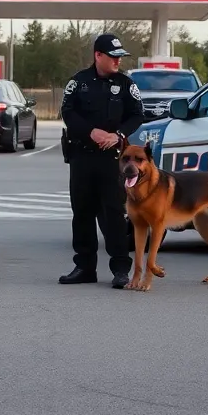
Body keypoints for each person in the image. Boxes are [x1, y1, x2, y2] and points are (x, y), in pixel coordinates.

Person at [58, 33, 144, 289]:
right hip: (82, 156)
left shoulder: (127, 85)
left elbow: (137, 115)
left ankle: (120, 269)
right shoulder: (78, 82)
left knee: (114, 214)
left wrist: (118, 135)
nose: (118, 61)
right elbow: (67, 112)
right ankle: (84, 267)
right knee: (82, 212)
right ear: (98, 55)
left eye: (120, 57)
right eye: (113, 56)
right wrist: (90, 132)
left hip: (112, 159)